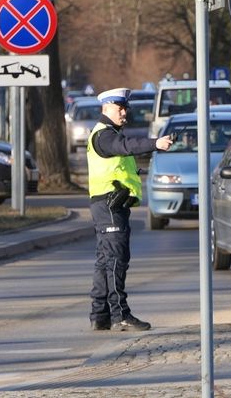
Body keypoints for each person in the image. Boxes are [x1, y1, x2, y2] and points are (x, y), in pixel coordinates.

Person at [87, 87, 173, 332]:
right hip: (109, 205)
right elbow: (126, 147)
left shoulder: (109, 133)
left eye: (125, 108)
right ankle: (120, 315)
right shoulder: (105, 135)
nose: (124, 112)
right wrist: (156, 143)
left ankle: (99, 314)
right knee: (116, 260)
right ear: (106, 109)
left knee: (105, 261)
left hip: (111, 204)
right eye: (119, 108)